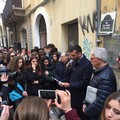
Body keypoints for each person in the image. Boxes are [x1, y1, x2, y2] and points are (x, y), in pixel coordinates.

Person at [83, 47, 117, 120]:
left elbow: (101, 103)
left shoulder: (106, 77)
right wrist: (85, 103)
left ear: (98, 60)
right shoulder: (99, 72)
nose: (90, 60)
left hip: (98, 115)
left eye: (92, 58)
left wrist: (87, 110)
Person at [60, 45, 93, 120]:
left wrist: (70, 85)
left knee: (81, 115)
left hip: (80, 96)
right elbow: (71, 76)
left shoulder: (87, 64)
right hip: (72, 94)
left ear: (79, 54)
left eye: (73, 55)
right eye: (70, 55)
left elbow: (84, 82)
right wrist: (63, 81)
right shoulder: (74, 61)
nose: (71, 57)